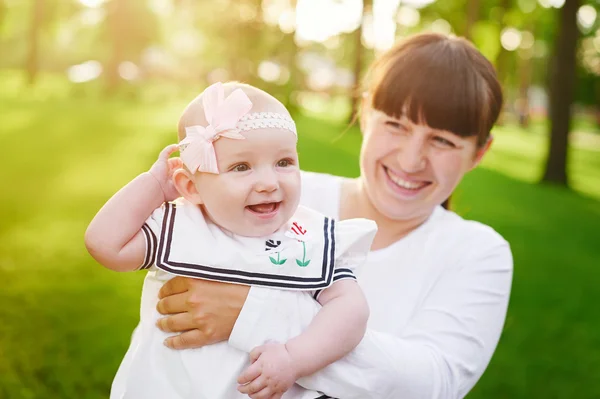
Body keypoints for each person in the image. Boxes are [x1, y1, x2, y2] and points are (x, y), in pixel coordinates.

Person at [151, 33, 514, 399]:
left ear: (479, 153)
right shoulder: (272, 196)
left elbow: (431, 383)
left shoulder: (478, 253)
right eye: (396, 125)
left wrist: (250, 315)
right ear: (366, 112)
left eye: (443, 141)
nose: (410, 160)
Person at [84, 82, 377, 399]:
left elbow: (351, 310)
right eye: (241, 167)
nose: (268, 182)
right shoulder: (183, 228)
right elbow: (105, 245)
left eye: (283, 162)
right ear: (191, 187)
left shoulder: (308, 239)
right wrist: (154, 185)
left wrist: (295, 357)